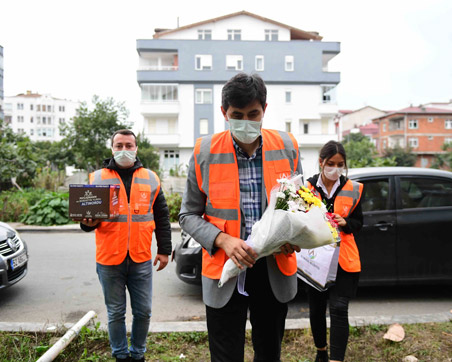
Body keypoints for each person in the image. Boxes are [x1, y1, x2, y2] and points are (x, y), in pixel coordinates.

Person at [179, 73, 303, 362]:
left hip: (272, 268)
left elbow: (299, 205)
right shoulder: (204, 152)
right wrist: (223, 239)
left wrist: (294, 236)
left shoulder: (287, 146)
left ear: (265, 109)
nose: (246, 122)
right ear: (224, 113)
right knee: (225, 356)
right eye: (237, 115)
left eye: (253, 114)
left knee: (269, 353)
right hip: (225, 268)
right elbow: (187, 214)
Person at [78, 129, 172, 362]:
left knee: (143, 312)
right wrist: (87, 223)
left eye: (129, 145)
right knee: (115, 313)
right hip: (109, 259)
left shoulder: (151, 178)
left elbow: (162, 217)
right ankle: (120, 355)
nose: (124, 150)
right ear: (112, 149)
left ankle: (138, 354)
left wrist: (164, 249)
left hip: (140, 258)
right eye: (119, 145)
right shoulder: (97, 178)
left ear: (136, 148)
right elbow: (88, 223)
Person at [304, 140, 364, 362]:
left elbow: (359, 223)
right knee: (317, 309)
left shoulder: (353, 188)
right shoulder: (306, 188)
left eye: (340, 164)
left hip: (344, 258)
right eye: (331, 163)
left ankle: (337, 359)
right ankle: (321, 352)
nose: (335, 168)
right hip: (315, 257)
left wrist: (346, 222)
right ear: (321, 162)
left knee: (339, 308)